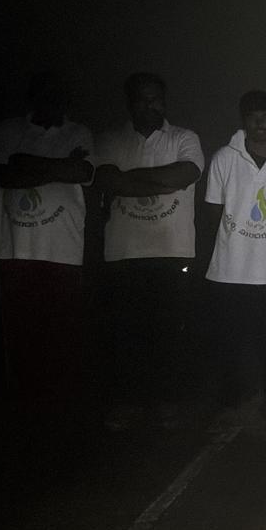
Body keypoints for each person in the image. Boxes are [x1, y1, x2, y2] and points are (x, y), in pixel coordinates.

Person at [0, 72, 94, 435]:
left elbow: (81, 171)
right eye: (47, 95)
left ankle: (62, 407)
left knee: (63, 332)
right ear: (32, 98)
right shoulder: (8, 130)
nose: (55, 102)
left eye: (61, 95)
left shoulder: (79, 132)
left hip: (64, 249)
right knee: (20, 334)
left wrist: (22, 162)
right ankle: (25, 406)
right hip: (14, 248)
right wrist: (58, 168)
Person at [93, 73, 204, 430]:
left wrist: (128, 180)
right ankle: (127, 402)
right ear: (130, 103)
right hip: (123, 252)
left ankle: (167, 401)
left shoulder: (184, 138)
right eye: (143, 99)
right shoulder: (111, 139)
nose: (151, 105)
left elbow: (184, 175)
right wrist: (159, 179)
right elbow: (106, 180)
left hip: (172, 250)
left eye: (157, 99)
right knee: (126, 333)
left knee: (169, 333)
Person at [204, 91, 266, 430]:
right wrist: (236, 243)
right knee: (228, 343)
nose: (260, 123)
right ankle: (229, 402)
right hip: (230, 270)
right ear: (243, 120)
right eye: (253, 116)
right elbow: (213, 211)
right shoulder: (224, 158)